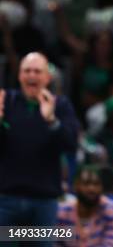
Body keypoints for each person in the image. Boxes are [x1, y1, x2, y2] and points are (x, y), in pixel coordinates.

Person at [0, 52, 79, 245]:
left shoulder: (60, 105)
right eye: (27, 71)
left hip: (43, 202)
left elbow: (71, 145)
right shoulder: (5, 101)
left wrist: (51, 121)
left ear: (47, 77)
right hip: (5, 200)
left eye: (37, 71)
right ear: (19, 75)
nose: (32, 76)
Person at [56, 165, 113, 247]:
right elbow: (51, 243)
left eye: (96, 184)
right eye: (86, 183)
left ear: (102, 187)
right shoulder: (62, 212)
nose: (91, 188)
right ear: (76, 186)